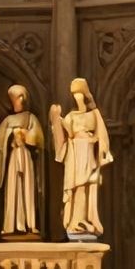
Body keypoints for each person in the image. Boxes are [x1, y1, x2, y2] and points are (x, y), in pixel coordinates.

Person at [49, 77, 114, 237]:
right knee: (77, 188)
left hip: (89, 152)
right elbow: (65, 134)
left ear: (85, 95)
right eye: (75, 95)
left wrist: (99, 148)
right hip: (75, 153)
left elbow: (102, 136)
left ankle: (88, 219)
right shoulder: (71, 116)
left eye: (79, 94)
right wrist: (56, 119)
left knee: (88, 186)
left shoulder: (94, 114)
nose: (77, 98)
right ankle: (75, 221)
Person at [0, 84, 44, 238]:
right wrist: (11, 135)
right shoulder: (8, 120)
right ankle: (11, 224)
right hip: (13, 156)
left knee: (27, 188)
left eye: (17, 99)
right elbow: (0, 143)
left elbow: (39, 139)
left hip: (26, 156)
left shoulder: (31, 118)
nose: (16, 102)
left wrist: (25, 134)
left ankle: (30, 224)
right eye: (13, 99)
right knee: (13, 189)